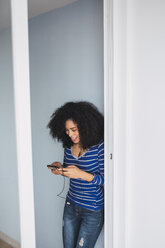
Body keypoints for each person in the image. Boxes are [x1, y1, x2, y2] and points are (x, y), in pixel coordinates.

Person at [47, 101, 104, 248]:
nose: (70, 135)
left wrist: (81, 173)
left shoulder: (99, 147)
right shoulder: (68, 146)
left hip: (92, 209)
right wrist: (61, 169)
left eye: (74, 129)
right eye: (67, 131)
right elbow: (70, 171)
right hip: (71, 205)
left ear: (85, 126)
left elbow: (105, 180)